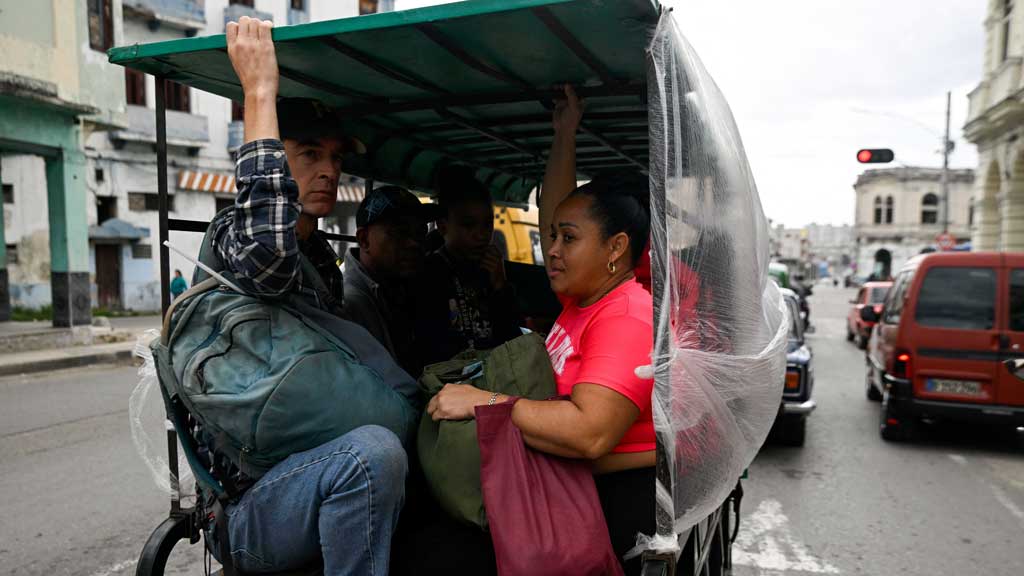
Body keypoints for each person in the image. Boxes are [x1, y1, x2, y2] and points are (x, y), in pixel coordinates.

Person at [425, 85, 656, 575]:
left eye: (567, 239)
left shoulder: (627, 316)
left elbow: (590, 433)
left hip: (598, 509)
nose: (551, 248)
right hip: (556, 482)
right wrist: (564, 134)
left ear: (615, 249)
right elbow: (560, 205)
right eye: (551, 236)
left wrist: (483, 403)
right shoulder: (583, 301)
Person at [206, 16, 406, 575]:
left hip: (313, 460)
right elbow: (267, 261)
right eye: (310, 154)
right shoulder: (235, 235)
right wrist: (259, 93)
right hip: (253, 501)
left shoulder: (317, 255)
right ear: (273, 151)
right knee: (373, 455)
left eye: (335, 159)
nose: (328, 171)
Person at [415, 166, 523, 365]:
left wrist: (500, 286)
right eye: (468, 225)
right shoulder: (429, 273)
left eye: (487, 224)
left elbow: (514, 339)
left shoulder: (492, 272)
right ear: (443, 225)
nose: (481, 235)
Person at [343, 186, 441, 378]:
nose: (414, 243)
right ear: (364, 240)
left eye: (420, 232)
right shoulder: (349, 304)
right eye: (399, 233)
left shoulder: (404, 286)